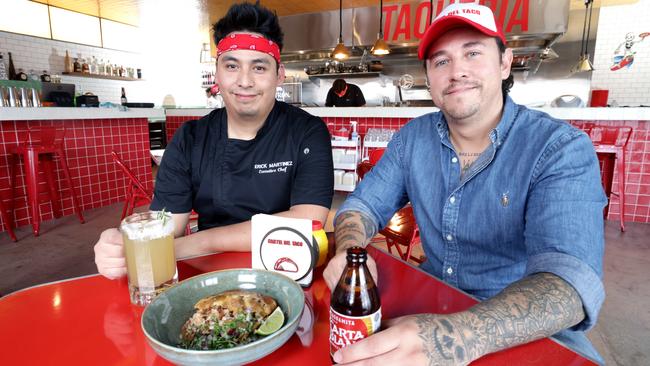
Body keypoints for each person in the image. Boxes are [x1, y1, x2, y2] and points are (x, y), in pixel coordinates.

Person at [323, 3, 606, 365]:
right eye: (441, 61)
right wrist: (349, 250)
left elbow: (567, 285)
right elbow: (362, 207)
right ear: (428, 77)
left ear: (505, 63)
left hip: (523, 329)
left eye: (472, 53)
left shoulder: (558, 148)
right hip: (430, 302)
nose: (457, 71)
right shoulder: (412, 140)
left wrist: (457, 336)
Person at [95, 2, 334, 279]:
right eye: (232, 66)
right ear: (217, 74)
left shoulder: (307, 132)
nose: (244, 81)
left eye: (259, 68)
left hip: (284, 268)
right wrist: (121, 247)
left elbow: (307, 220)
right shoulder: (190, 139)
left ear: (279, 75)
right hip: (207, 273)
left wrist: (198, 242)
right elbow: (165, 226)